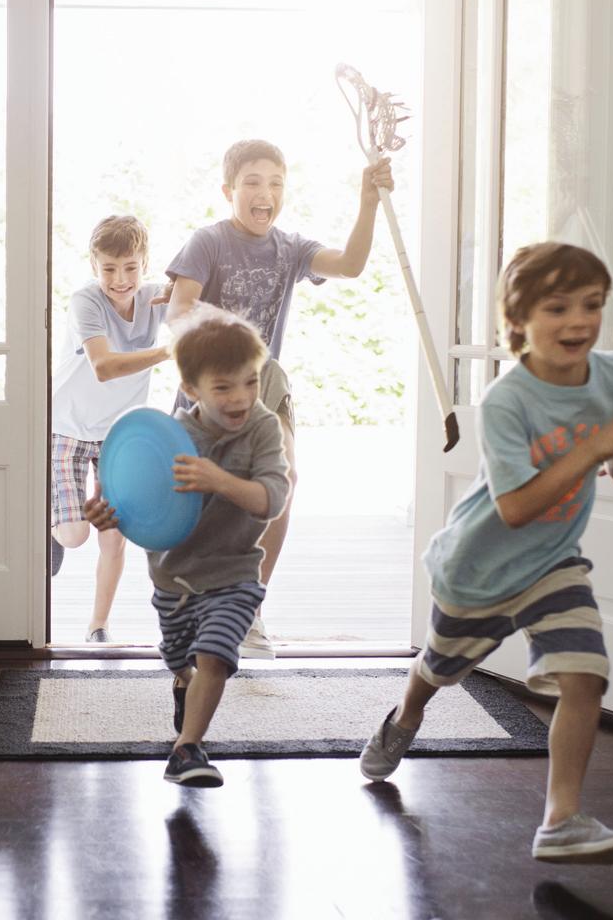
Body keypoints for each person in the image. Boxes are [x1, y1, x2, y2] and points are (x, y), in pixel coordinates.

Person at [359, 242, 613, 864]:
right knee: (439, 670)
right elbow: (516, 507)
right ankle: (404, 717)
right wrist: (594, 448)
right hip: (479, 570)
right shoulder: (508, 401)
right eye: (557, 307)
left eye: (592, 305)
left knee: (585, 674)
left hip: (553, 562)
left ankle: (562, 819)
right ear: (517, 322)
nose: (579, 321)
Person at [164, 139, 393, 658]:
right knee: (200, 498)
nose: (264, 193)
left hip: (265, 379)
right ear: (229, 190)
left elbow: (351, 264)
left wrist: (369, 201)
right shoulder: (208, 241)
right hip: (208, 378)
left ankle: (248, 607)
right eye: (252, 182)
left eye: (275, 183)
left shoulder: (290, 248)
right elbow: (178, 310)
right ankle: (194, 603)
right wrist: (209, 358)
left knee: (282, 477)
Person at [84, 307, 290, 786]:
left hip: (235, 572)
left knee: (215, 654)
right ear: (192, 390)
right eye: (224, 387)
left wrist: (219, 480)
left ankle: (187, 750)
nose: (241, 397)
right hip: (174, 577)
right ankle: (182, 681)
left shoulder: (262, 429)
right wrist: (106, 515)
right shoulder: (169, 440)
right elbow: (138, 508)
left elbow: (273, 499)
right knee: (184, 660)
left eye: (251, 382)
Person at [51, 215, 170, 643]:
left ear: (145, 263)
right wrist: (165, 352)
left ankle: (98, 625)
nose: (120, 280)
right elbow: (103, 367)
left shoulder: (157, 298)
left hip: (117, 435)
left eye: (131, 268)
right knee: (75, 535)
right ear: (94, 264)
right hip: (65, 426)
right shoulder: (86, 301)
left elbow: (198, 303)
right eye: (109, 269)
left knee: (114, 537)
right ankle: (50, 524)